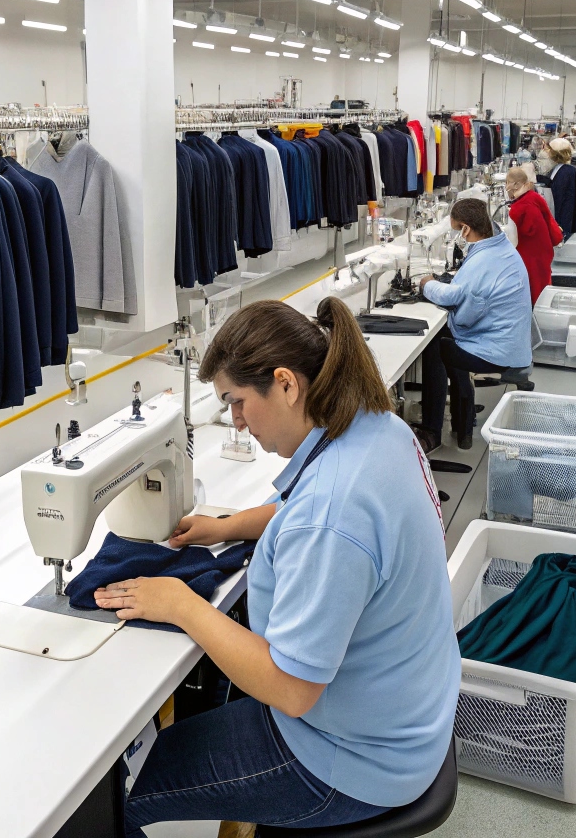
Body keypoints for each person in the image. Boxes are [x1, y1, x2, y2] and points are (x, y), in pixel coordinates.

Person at [95, 297, 460, 837]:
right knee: (209, 694)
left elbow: (292, 689)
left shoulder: (332, 513)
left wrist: (181, 605)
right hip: (408, 713)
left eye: (237, 402)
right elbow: (308, 509)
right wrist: (228, 525)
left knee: (114, 799)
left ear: (286, 384)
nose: (236, 421)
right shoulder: (377, 428)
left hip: (350, 760)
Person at [415, 198, 532, 451]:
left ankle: (432, 430)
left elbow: (457, 304)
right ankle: (462, 420)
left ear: (466, 229)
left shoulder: (482, 260)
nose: (458, 236)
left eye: (457, 230)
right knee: (449, 341)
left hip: (499, 352)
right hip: (512, 342)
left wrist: (426, 283)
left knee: (435, 344)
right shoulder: (500, 247)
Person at [506, 166, 563, 303]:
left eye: (507, 182)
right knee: (543, 286)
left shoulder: (516, 210)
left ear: (512, 185)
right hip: (544, 251)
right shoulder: (535, 197)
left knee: (532, 291)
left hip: (528, 258)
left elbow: (512, 243)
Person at [538, 137, 576, 239]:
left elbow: (558, 197)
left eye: (548, 149)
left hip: (562, 222)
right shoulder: (561, 168)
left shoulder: (566, 172)